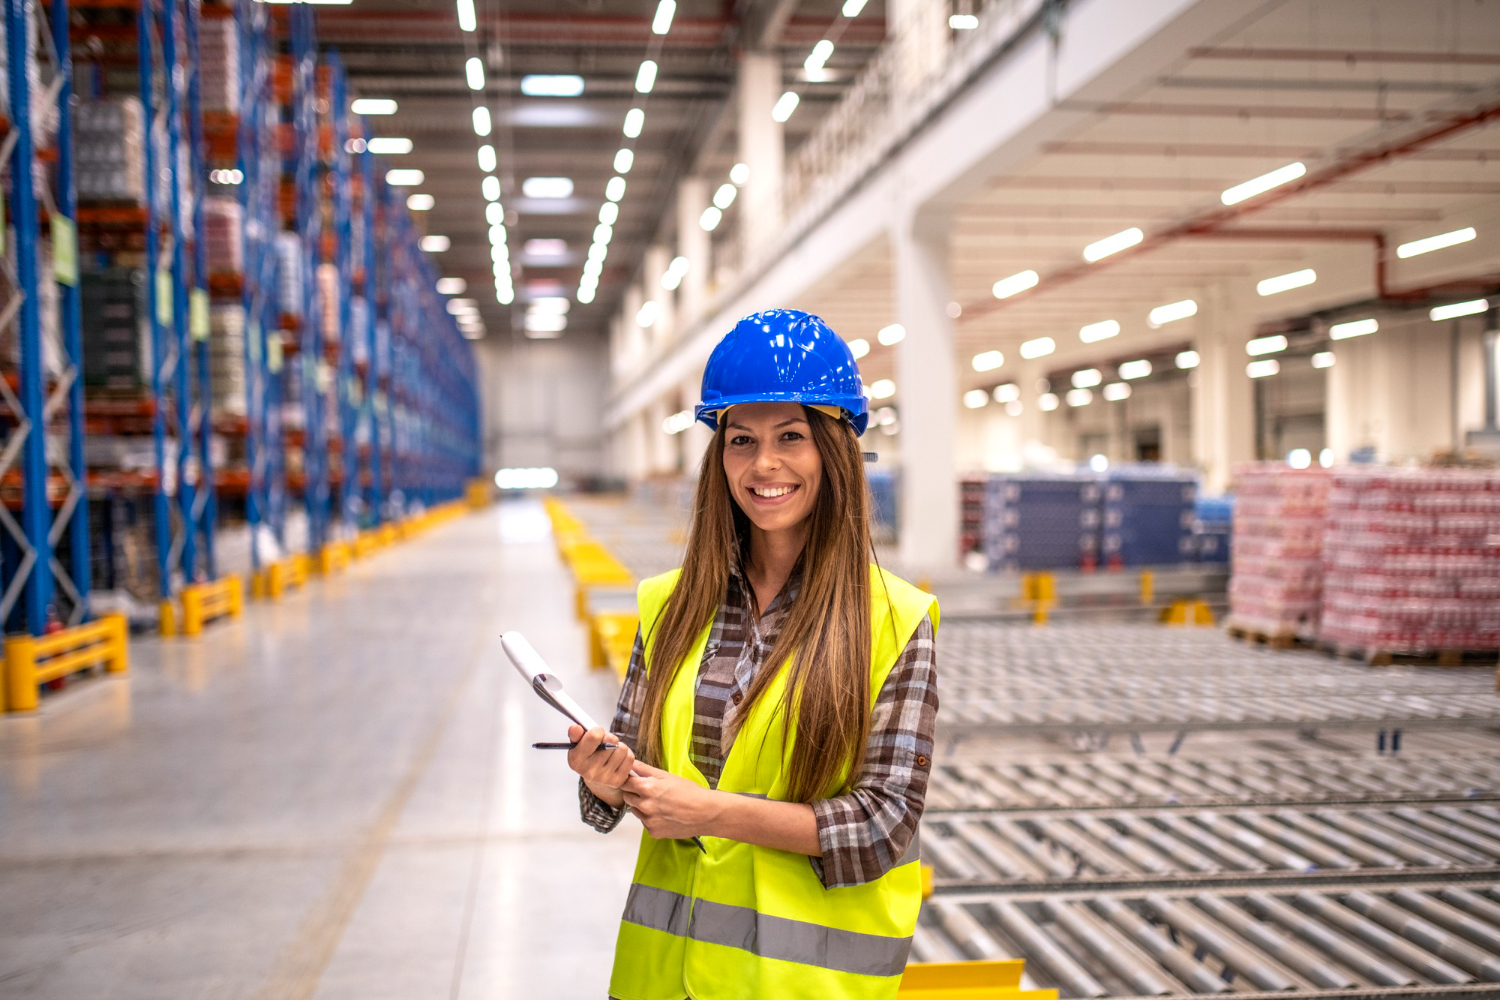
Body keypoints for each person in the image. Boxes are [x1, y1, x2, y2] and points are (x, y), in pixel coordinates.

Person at [567, 308, 939, 1000]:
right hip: (661, 980)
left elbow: (882, 826)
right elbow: (627, 773)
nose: (764, 464)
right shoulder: (669, 606)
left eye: (790, 437)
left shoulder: (895, 621)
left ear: (834, 451)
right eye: (741, 440)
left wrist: (711, 813)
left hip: (802, 986)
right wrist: (604, 779)